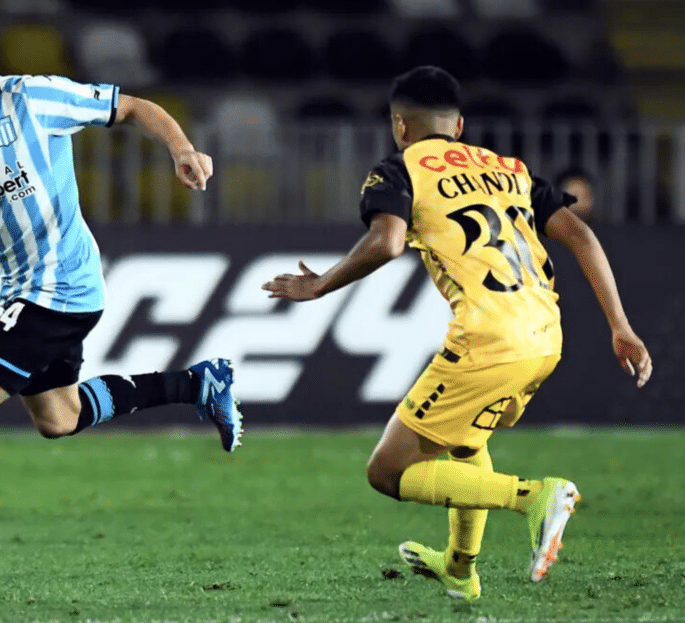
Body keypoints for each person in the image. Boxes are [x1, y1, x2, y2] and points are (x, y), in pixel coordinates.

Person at [0, 0, 243, 583]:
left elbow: (133, 106)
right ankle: (197, 384)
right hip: (23, 290)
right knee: (58, 418)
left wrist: (181, 148)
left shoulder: (34, 100)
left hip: (62, 285)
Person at [262, 66, 651, 600]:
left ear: (400, 125)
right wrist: (621, 327)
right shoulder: (510, 169)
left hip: (490, 338)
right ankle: (460, 568)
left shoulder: (399, 171)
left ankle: (536, 496)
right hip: (545, 333)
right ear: (460, 125)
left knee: (387, 471)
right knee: (467, 441)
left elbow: (387, 242)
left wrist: (322, 284)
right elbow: (580, 234)